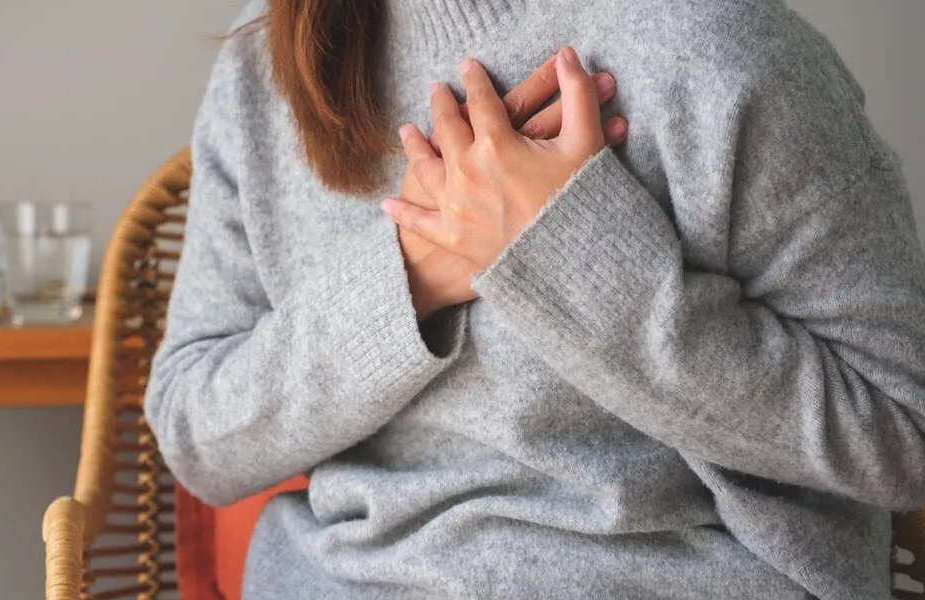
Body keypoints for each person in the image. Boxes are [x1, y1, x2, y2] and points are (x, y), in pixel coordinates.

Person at [143, 0, 925, 598]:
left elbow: (904, 434)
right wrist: (413, 270)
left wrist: (568, 253)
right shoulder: (265, 66)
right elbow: (196, 435)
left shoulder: (711, 42)